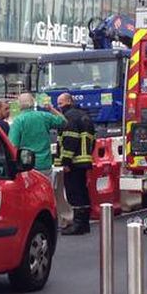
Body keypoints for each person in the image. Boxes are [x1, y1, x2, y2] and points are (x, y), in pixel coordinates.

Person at [54, 93, 96, 235]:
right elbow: (93, 140)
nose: (59, 107)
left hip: (73, 162)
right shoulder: (84, 116)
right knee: (82, 192)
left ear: (68, 102)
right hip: (83, 160)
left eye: (60, 104)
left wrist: (65, 161)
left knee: (74, 193)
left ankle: (78, 225)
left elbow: (70, 140)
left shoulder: (69, 117)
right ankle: (84, 223)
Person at [9, 93, 66, 178]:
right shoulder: (44, 116)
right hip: (45, 165)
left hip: (27, 165)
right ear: (33, 102)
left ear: (19, 105)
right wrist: (51, 109)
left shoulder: (18, 121)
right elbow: (63, 121)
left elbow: (13, 145)